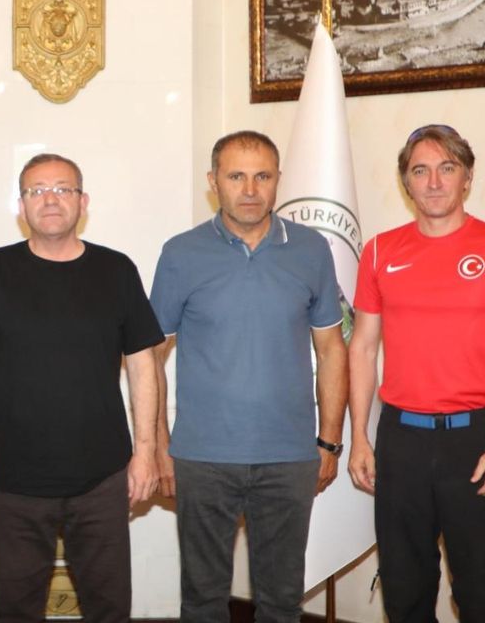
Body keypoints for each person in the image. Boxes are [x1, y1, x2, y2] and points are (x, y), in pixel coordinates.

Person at [0, 153, 162, 623]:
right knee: (17, 610)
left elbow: (143, 365)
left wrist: (145, 452)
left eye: (63, 189)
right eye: (37, 190)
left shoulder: (117, 270)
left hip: (103, 477)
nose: (50, 199)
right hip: (14, 477)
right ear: (20, 205)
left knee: (109, 609)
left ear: (83, 202)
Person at [347, 125, 485, 622]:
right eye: (421, 170)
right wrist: (360, 438)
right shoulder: (379, 252)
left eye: (447, 168)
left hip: (476, 442)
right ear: (406, 182)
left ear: (467, 178)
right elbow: (363, 348)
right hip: (401, 442)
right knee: (404, 592)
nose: (434, 182)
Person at [149, 131, 349, 623]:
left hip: (289, 457)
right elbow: (149, 356)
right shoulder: (181, 253)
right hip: (202, 457)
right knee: (203, 601)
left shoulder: (311, 249)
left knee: (282, 602)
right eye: (236, 176)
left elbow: (332, 349)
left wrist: (329, 441)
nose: (250, 189)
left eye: (262, 176)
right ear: (213, 181)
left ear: (279, 180)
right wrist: (159, 444)